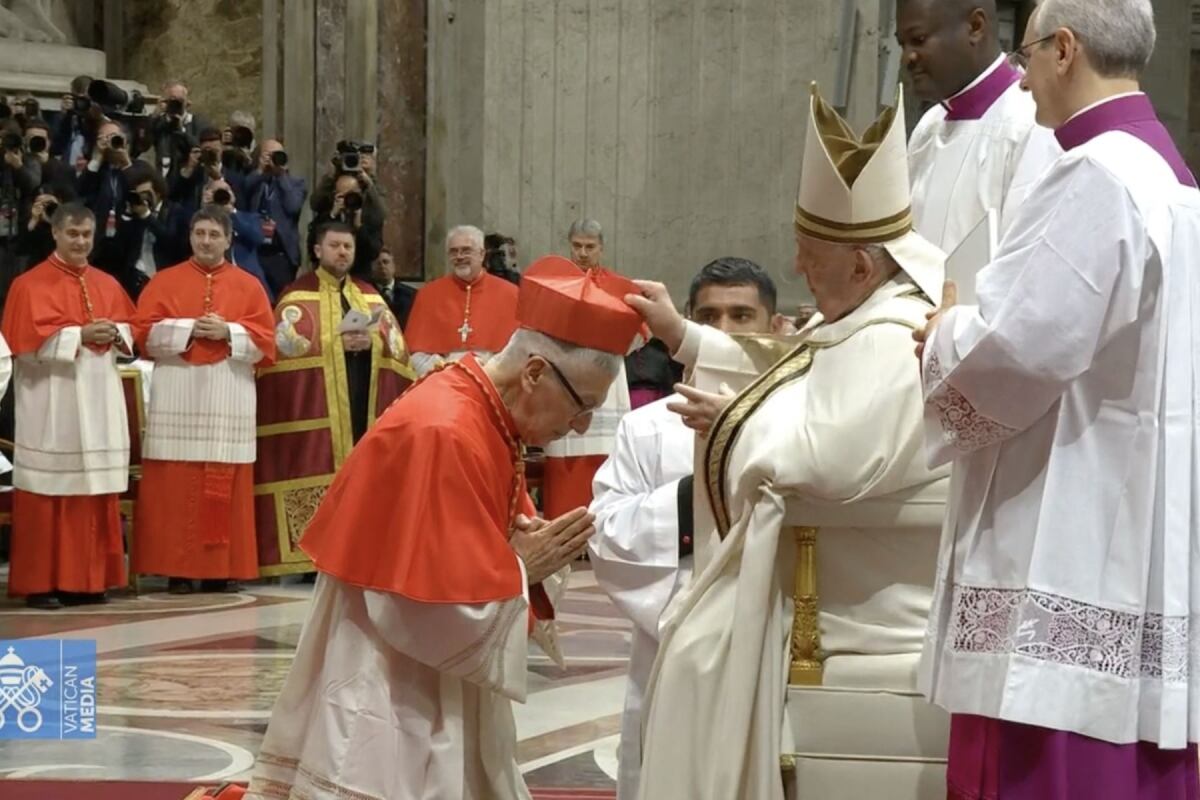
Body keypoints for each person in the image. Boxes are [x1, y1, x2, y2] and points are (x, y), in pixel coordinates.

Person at [626, 84, 948, 800]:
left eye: (809, 254)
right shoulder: (867, 313)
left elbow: (822, 459)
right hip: (838, 567)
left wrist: (735, 423)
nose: (798, 268)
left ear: (863, 266)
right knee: (689, 648)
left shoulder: (893, 338)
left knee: (694, 658)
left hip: (855, 599)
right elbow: (796, 366)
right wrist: (681, 334)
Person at [914, 2, 1200, 797]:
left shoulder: (1096, 173)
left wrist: (941, 335)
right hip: (1129, 517)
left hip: (1067, 528)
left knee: (1050, 753)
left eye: (1030, 52)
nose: (1024, 75)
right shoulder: (1169, 176)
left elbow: (1021, 347)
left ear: (1065, 50)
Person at [246, 255, 646, 799]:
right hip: (392, 669)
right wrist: (523, 567)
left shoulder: (485, 409)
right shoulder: (445, 430)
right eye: (582, 408)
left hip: (425, 663)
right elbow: (421, 606)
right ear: (534, 373)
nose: (576, 427)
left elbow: (477, 541)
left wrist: (519, 554)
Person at [589, 257, 784, 800]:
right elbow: (605, 531)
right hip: (672, 641)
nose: (721, 331)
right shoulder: (646, 427)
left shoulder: (797, 415)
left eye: (742, 316)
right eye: (708, 316)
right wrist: (687, 500)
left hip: (775, 633)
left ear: (775, 325)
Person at [131, 206, 276, 595]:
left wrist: (228, 331)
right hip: (178, 391)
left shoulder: (249, 286)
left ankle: (219, 569)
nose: (206, 241)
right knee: (174, 484)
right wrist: (189, 327)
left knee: (223, 481)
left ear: (229, 239)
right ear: (190, 237)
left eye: (214, 234)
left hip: (228, 392)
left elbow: (267, 344)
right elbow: (141, 335)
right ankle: (175, 569)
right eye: (200, 234)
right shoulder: (164, 282)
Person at [254, 223, 414, 577]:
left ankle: (361, 553)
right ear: (317, 250)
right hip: (320, 411)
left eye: (347, 247)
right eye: (335, 246)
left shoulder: (370, 296)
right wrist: (333, 346)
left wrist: (370, 345)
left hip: (363, 405)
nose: (342, 252)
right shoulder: (296, 296)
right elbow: (282, 355)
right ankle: (314, 558)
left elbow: (398, 354)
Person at [1, 202, 135, 610]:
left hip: (97, 397)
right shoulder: (28, 285)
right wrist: (79, 334)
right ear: (55, 234)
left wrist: (115, 332)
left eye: (86, 235)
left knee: (94, 490)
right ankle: (42, 583)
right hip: (51, 401)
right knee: (49, 493)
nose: (80, 242)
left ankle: (90, 581)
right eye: (72, 234)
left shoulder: (108, 283)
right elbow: (22, 345)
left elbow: (131, 331)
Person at [900, 0, 1060, 252]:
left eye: (919, 39)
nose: (907, 57)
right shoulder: (928, 126)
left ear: (975, 26)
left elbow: (1027, 257)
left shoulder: (1032, 122)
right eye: (902, 44)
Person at [540, 219, 638, 520]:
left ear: (602, 248)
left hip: (606, 373)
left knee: (604, 453)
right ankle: (563, 528)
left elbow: (639, 332)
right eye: (577, 246)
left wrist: (608, 343)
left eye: (590, 247)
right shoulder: (555, 283)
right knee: (564, 452)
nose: (583, 253)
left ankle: (600, 528)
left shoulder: (619, 286)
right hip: (565, 371)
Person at [404, 224, 520, 376]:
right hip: (441, 382)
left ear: (482, 254)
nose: (459, 256)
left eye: (466, 250)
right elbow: (414, 353)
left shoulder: (510, 294)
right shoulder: (428, 294)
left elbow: (517, 352)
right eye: (453, 251)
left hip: (492, 381)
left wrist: (486, 370)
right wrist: (443, 369)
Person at [242, 139, 307, 298]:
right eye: (268, 154)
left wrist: (281, 175)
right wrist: (261, 171)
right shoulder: (257, 180)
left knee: (282, 298)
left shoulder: (296, 183)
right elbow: (244, 190)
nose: (273, 159)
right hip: (255, 251)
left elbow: (292, 206)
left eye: (278, 155)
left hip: (281, 253)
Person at [370, 245, 416, 329]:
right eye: (378, 263)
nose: (382, 267)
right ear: (372, 267)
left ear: (393, 265)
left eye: (386, 262)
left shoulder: (412, 295)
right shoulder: (365, 294)